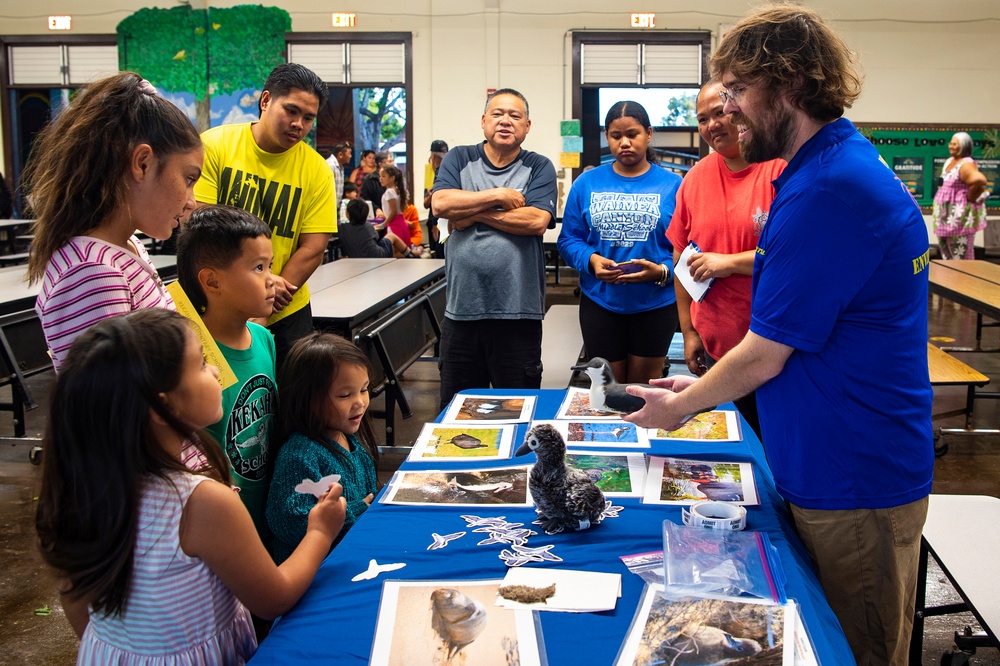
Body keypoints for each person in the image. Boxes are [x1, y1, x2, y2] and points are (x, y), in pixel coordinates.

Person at [623, 6, 932, 664]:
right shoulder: (822, 171)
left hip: (854, 478)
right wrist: (702, 383)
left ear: (787, 85)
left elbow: (766, 351)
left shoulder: (830, 189)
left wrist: (681, 406)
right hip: (830, 462)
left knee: (856, 648)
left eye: (736, 91)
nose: (727, 110)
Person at [35, 308, 346, 664]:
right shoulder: (201, 502)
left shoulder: (80, 491)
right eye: (200, 364)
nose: (214, 370)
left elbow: (74, 601)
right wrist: (320, 531)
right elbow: (274, 598)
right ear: (162, 407)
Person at [25, 72, 201, 372]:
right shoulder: (92, 273)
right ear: (142, 163)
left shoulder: (126, 245)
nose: (191, 200)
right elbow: (110, 407)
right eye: (188, 179)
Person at [665, 81, 786, 439]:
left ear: (741, 109)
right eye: (702, 119)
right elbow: (680, 257)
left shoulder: (779, 170)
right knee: (737, 448)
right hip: (718, 349)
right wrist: (688, 331)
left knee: (778, 447)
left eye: (718, 113)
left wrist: (730, 263)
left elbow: (793, 256)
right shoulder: (695, 179)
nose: (712, 125)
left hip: (774, 349)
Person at [195, 63, 335, 365]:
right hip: (219, 305)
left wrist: (270, 296)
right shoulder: (215, 146)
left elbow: (313, 247)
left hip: (287, 309)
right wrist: (249, 294)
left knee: (291, 401)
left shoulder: (317, 170)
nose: (298, 124)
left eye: (308, 118)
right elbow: (199, 228)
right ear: (266, 100)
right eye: (291, 111)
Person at [431, 88, 557, 409]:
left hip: (518, 316)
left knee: (517, 409)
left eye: (515, 116)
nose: (505, 121)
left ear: (527, 126)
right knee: (459, 411)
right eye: (498, 114)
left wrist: (470, 214)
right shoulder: (459, 157)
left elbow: (536, 221)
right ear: (483, 121)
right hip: (461, 315)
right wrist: (499, 195)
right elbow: (441, 203)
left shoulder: (538, 166)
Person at [557, 100, 681, 385]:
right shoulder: (586, 183)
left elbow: (687, 248)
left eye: (633, 134)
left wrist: (662, 271)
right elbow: (569, 239)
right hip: (601, 303)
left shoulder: (674, 185)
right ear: (607, 137)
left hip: (656, 304)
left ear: (648, 134)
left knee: (642, 393)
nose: (625, 142)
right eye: (616, 136)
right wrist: (590, 260)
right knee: (607, 393)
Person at [176, 205, 277, 542]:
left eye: (271, 266)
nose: (272, 280)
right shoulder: (196, 360)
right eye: (258, 267)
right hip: (221, 529)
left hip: (266, 512)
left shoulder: (264, 339)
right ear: (212, 281)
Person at [267, 333, 379, 564]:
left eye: (364, 389)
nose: (360, 402)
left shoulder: (349, 438)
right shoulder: (300, 455)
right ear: (307, 398)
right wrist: (357, 510)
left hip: (348, 557)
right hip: (315, 575)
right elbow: (289, 523)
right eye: (345, 395)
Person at [933, 131, 990, 260]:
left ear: (964, 146)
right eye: (951, 143)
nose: (950, 146)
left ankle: (962, 280)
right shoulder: (950, 161)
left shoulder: (966, 164)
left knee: (960, 254)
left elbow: (980, 181)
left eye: (955, 144)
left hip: (958, 217)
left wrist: (970, 197)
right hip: (945, 218)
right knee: (946, 254)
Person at [339, 198, 412, 259]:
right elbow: (376, 237)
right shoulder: (368, 226)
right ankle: (410, 255)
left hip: (356, 258)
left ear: (347, 214)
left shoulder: (342, 228)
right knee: (391, 236)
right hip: (377, 256)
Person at [424, 140, 449, 257]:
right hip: (446, 222)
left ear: (433, 156)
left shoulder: (440, 172)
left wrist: (435, 224)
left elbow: (440, 201)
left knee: (439, 260)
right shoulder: (450, 170)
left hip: (440, 223)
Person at [380, 163, 412, 247]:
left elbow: (393, 211)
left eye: (383, 176)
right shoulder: (397, 190)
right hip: (400, 223)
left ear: (392, 178)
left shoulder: (389, 192)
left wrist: (383, 224)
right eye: (380, 176)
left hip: (394, 224)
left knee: (396, 252)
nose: (380, 179)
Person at [360, 150, 394, 217]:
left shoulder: (394, 178)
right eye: (389, 161)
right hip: (377, 216)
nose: (392, 164)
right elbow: (364, 198)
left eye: (392, 161)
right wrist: (376, 209)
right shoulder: (370, 179)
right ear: (380, 164)